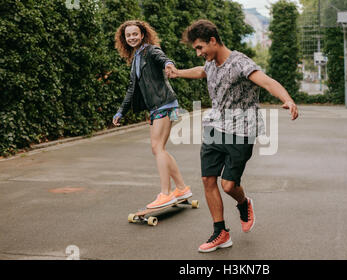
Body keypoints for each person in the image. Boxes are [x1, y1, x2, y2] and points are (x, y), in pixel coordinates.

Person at [167, 19, 299, 253]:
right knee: (208, 180)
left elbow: (267, 82)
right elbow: (202, 72)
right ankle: (221, 232)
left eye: (200, 47)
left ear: (213, 41)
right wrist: (177, 73)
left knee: (228, 186)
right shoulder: (210, 62)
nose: (198, 53)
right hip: (215, 126)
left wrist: (287, 99)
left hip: (241, 131)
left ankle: (243, 203)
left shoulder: (240, 62)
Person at [113, 20, 192, 209]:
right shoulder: (136, 58)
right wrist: (121, 111)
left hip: (163, 103)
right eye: (128, 35)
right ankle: (181, 188)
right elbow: (133, 88)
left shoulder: (150, 50)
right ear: (124, 39)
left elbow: (163, 58)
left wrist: (169, 64)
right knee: (160, 148)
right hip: (159, 106)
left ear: (142, 34)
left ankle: (166, 193)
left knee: (157, 148)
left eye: (135, 34)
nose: (132, 38)